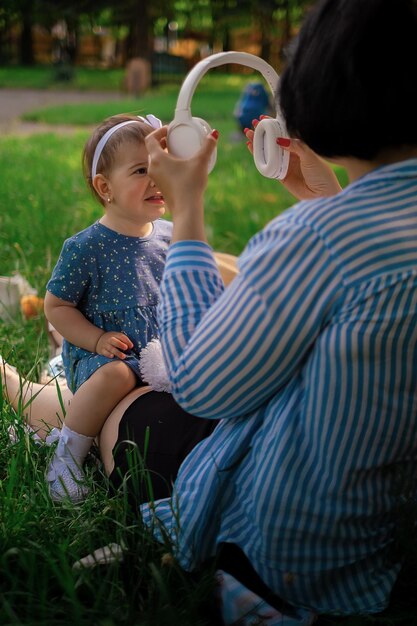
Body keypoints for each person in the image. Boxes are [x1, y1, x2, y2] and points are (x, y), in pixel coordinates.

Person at [124, 0, 417, 622]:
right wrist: (332, 201)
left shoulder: (319, 238)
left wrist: (188, 211)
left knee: (127, 410)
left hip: (290, 555)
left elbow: (201, 388)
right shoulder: (358, 228)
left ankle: (20, 392)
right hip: (385, 543)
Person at [42, 111, 191, 504]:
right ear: (105, 187)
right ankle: (66, 458)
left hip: (158, 351)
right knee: (118, 378)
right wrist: (97, 338)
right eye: (141, 170)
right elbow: (57, 307)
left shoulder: (170, 235)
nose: (155, 179)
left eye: (159, 167)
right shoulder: (87, 247)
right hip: (107, 354)